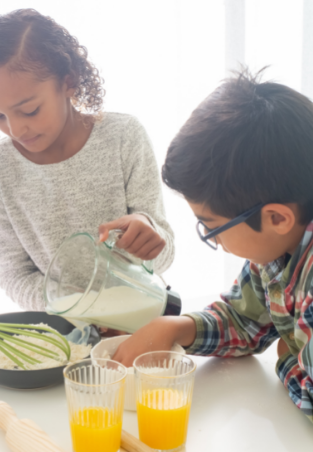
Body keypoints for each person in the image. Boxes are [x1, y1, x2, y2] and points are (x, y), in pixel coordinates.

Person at [113, 69, 313, 422]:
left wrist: (285, 355)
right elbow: (244, 319)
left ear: (277, 218)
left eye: (212, 227)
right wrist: (178, 327)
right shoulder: (273, 250)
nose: (213, 238)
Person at [0, 6, 175, 311]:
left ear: (69, 82)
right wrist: (74, 307)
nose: (15, 129)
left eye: (29, 111)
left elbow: (163, 254)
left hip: (139, 315)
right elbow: (13, 274)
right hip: (64, 330)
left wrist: (148, 233)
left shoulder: (124, 136)